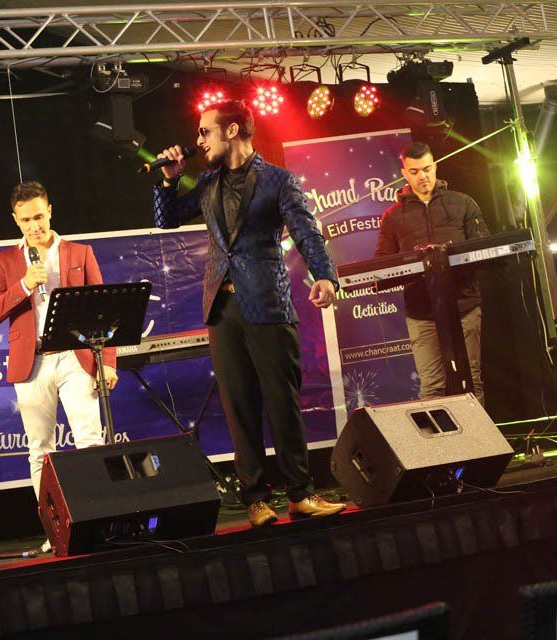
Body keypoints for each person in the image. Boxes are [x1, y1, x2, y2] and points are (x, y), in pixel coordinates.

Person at [153, 98, 346, 527]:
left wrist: (326, 276)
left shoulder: (278, 180)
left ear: (233, 130)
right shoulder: (205, 184)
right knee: (239, 405)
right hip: (223, 309)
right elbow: (167, 220)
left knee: (282, 402)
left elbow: (306, 231)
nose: (198, 140)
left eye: (205, 131)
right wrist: (168, 180)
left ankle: (300, 494)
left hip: (268, 303)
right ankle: (256, 499)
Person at [0, 181, 118, 501]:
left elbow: (102, 313)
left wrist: (107, 363)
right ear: (15, 219)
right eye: (26, 220)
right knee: (40, 450)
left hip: (75, 356)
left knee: (90, 440)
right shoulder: (4, 261)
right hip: (33, 362)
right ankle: (54, 528)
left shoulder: (80, 253)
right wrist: (24, 285)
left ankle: (100, 514)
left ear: (50, 211)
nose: (35, 226)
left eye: (40, 217)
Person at [374, 141, 489, 405]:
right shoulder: (392, 217)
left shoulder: (463, 203)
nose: (422, 176)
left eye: (427, 169)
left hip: (464, 306)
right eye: (414, 171)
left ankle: (483, 447)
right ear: (404, 173)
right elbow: (381, 263)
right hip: (421, 312)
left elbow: (485, 247)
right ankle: (441, 447)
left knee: (472, 380)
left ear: (435, 167)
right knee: (432, 386)